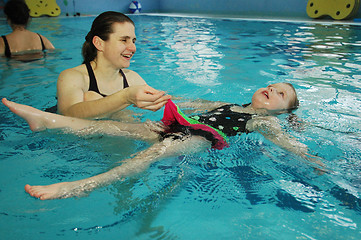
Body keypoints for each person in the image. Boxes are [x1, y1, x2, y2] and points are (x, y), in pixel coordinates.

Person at [2, 82, 325, 200]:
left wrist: (312, 161)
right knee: (108, 127)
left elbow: (287, 143)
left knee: (147, 157)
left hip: (199, 141)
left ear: (284, 110)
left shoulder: (262, 121)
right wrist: (156, 99)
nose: (272, 89)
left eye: (281, 94)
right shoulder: (228, 104)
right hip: (177, 127)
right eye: (271, 85)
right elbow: (190, 103)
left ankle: (82, 185)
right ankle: (48, 119)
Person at [51, 11, 171, 119]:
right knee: (91, 97)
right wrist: (125, 97)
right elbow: (67, 114)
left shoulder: (131, 78)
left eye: (133, 41)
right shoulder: (73, 76)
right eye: (124, 40)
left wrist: (189, 105)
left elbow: (161, 100)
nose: (133, 48)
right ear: (99, 43)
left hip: (115, 134)